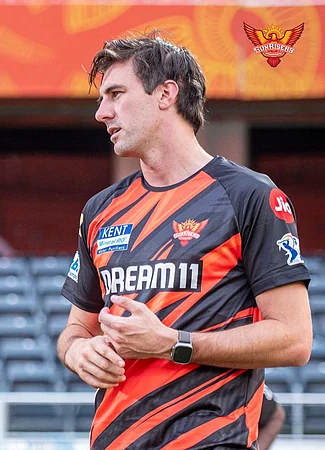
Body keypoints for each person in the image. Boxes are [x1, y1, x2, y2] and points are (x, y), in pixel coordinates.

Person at [56, 33, 312, 449]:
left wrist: (172, 344)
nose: (102, 112)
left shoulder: (250, 196)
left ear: (165, 94)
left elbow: (295, 339)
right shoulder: (99, 209)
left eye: (116, 94)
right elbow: (74, 329)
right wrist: (77, 353)